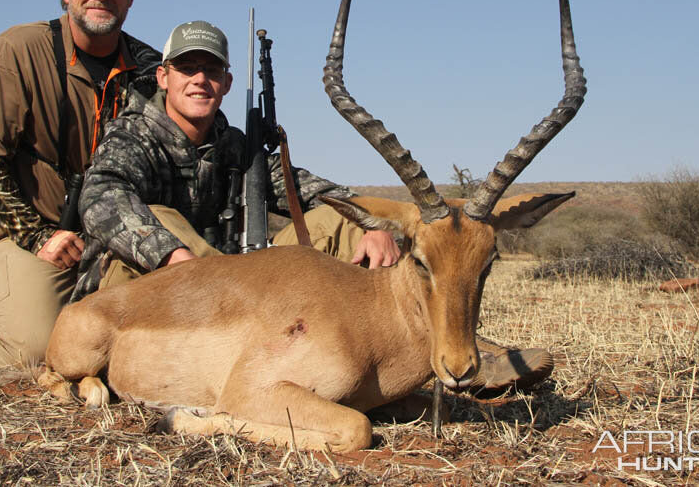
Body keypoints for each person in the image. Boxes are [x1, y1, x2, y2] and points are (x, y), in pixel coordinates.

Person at [72, 20, 554, 395]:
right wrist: (177, 259)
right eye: (187, 69)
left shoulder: (236, 147)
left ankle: (451, 347)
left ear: (225, 80)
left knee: (334, 216)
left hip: (231, 281)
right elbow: (100, 200)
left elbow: (308, 190)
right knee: (159, 217)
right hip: (159, 283)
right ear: (163, 75)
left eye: (211, 70)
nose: (200, 80)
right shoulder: (133, 134)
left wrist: (376, 226)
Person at [0, 0, 162, 367]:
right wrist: (37, 237)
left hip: (116, 229)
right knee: (35, 350)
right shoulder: (16, 51)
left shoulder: (151, 67)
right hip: (36, 230)